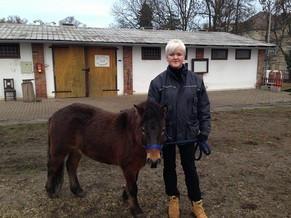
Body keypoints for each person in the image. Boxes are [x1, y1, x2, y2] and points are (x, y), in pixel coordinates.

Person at [147, 39, 211, 218]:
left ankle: (196, 203)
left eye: (179, 54)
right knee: (169, 169)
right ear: (166, 57)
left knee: (190, 168)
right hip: (166, 136)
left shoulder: (196, 81)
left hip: (189, 134)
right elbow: (151, 115)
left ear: (184, 56)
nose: (175, 57)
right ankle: (173, 199)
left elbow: (204, 108)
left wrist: (204, 133)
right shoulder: (157, 83)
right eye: (172, 54)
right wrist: (153, 141)